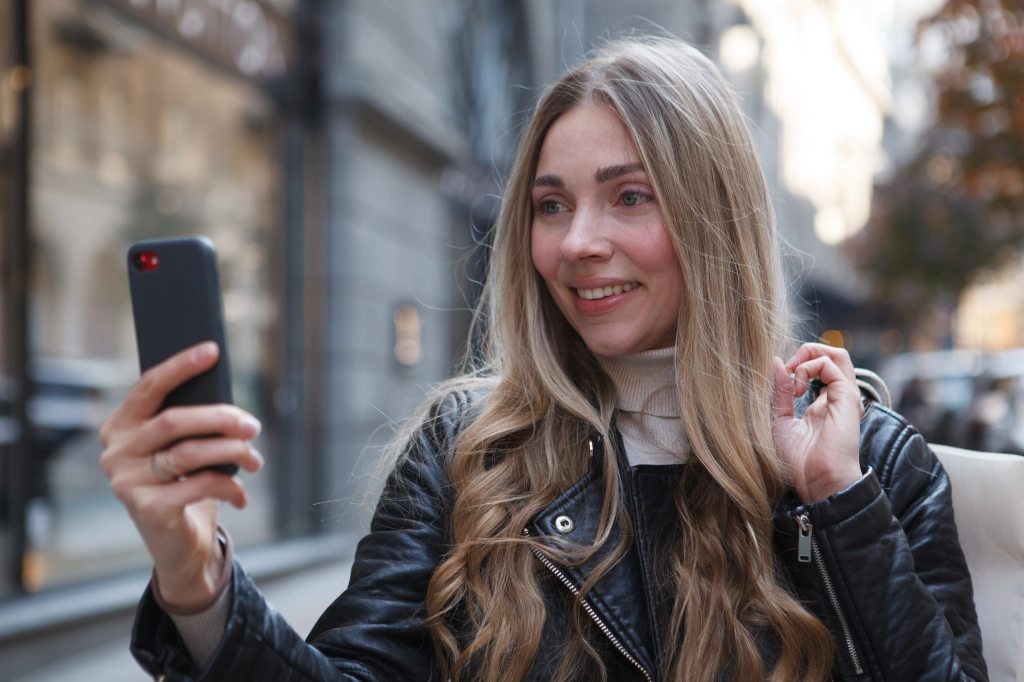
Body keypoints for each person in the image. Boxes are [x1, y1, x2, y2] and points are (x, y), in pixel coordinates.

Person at [100, 37, 987, 682]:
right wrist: (196, 578)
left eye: (629, 197)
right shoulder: (465, 448)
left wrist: (836, 506)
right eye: (552, 205)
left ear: (715, 221)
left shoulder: (870, 464)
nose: (577, 243)